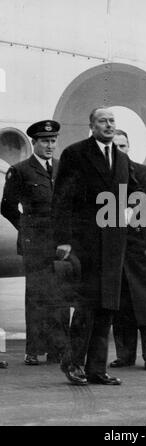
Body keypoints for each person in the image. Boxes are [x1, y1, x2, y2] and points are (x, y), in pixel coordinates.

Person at [51, 107, 140, 385]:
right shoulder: (75, 154)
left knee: (107, 308)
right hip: (85, 243)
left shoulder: (123, 160)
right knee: (87, 306)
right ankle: (73, 363)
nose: (109, 125)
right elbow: (62, 199)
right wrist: (63, 240)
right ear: (92, 125)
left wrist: (136, 215)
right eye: (103, 121)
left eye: (112, 121)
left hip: (114, 244)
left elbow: (135, 193)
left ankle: (96, 369)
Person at [1, 120, 70, 366]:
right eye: (45, 141)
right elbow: (7, 207)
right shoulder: (20, 170)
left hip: (59, 242)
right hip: (35, 242)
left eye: (53, 141)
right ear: (34, 143)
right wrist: (26, 228)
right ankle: (34, 350)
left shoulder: (63, 168)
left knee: (61, 295)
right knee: (37, 295)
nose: (50, 145)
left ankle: (59, 349)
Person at [109, 130, 146, 371]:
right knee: (120, 307)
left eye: (123, 145)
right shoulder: (104, 177)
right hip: (116, 253)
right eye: (115, 146)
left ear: (129, 147)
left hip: (141, 251)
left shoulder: (144, 175)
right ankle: (125, 355)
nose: (119, 149)